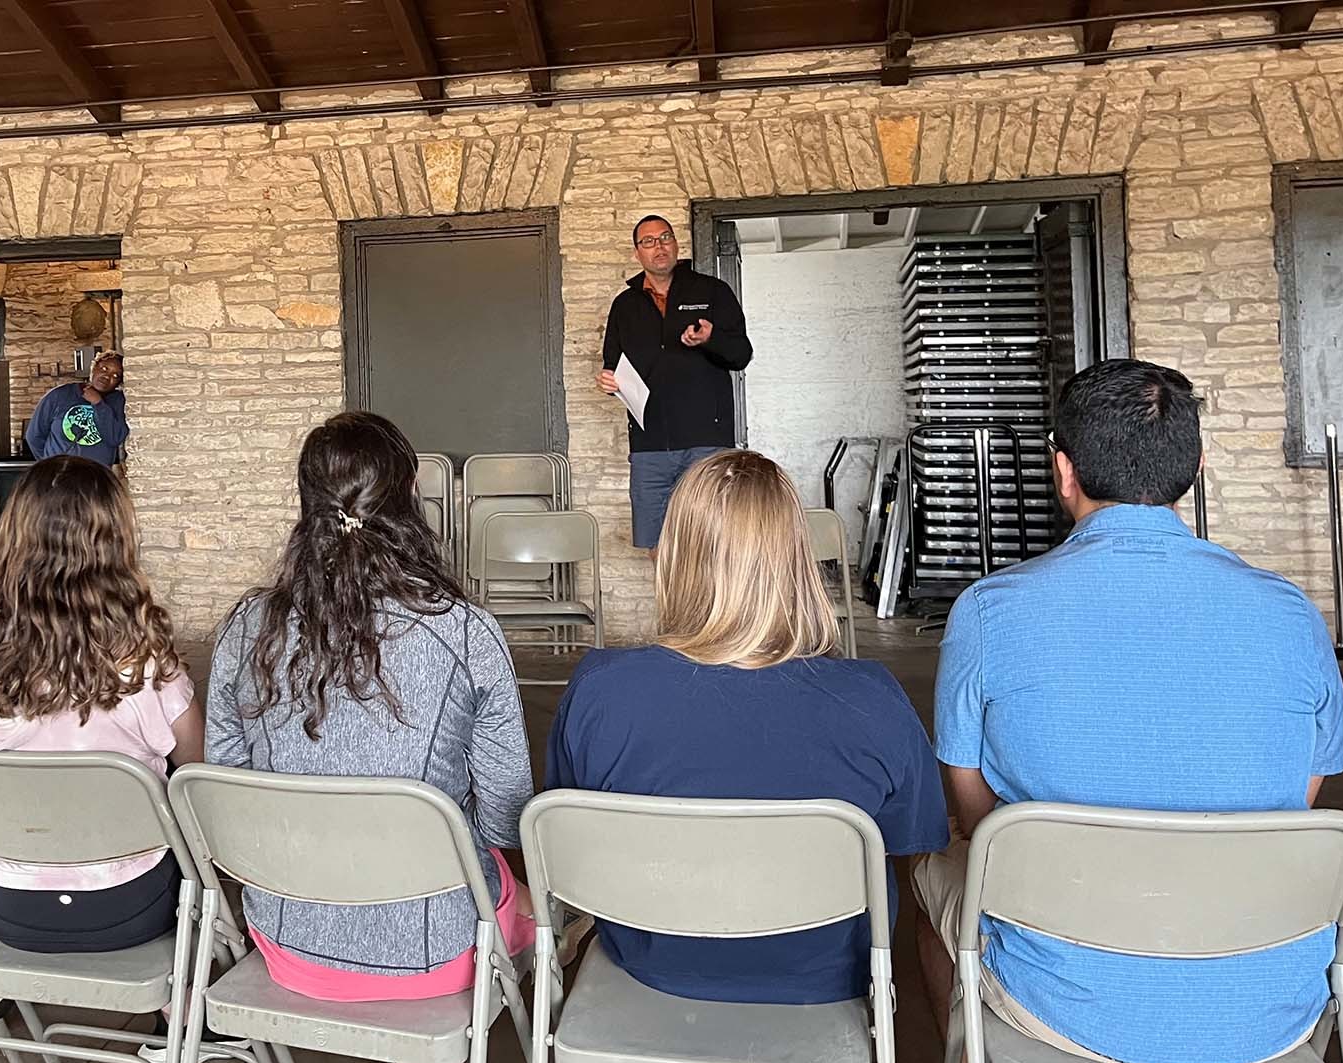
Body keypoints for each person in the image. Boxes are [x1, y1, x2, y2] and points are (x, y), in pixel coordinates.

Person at [916, 359, 1343, 1063]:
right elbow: (1295, 801)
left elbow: (975, 817)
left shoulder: (989, 612)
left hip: (1062, 1003)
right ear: (1197, 467)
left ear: (1064, 470)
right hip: (1266, 1003)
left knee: (931, 871)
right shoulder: (1291, 613)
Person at [546, 449, 947, 1003]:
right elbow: (909, 841)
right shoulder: (873, 698)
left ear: (675, 555)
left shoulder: (601, 689)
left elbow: (570, 836)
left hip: (653, 965)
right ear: (795, 557)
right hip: (826, 977)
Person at [206, 411, 533, 1000]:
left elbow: (230, 790)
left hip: (286, 940)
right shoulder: (466, 635)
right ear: (410, 497)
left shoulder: (246, 629)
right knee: (528, 903)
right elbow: (506, 818)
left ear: (307, 506)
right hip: (436, 952)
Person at [0, 455, 203, 954]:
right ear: (115, 541)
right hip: (129, 902)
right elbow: (195, 768)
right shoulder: (142, 655)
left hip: (6, 902)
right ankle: (176, 1014)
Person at [595, 215, 752, 551]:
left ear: (675, 244)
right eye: (648, 242)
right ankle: (673, 606)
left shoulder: (712, 291)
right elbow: (614, 365)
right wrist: (609, 381)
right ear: (638, 253)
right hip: (649, 447)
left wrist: (711, 338)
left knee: (713, 541)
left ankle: (713, 607)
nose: (659, 246)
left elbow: (741, 355)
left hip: (706, 443)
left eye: (665, 237)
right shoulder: (624, 306)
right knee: (659, 545)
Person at [25, 351, 128, 468]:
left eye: (115, 376)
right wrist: (49, 465)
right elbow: (34, 436)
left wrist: (98, 403)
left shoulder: (119, 402)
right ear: (93, 368)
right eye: (104, 368)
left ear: (119, 382)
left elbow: (115, 437)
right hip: (58, 476)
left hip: (95, 477)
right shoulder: (60, 395)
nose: (107, 376)